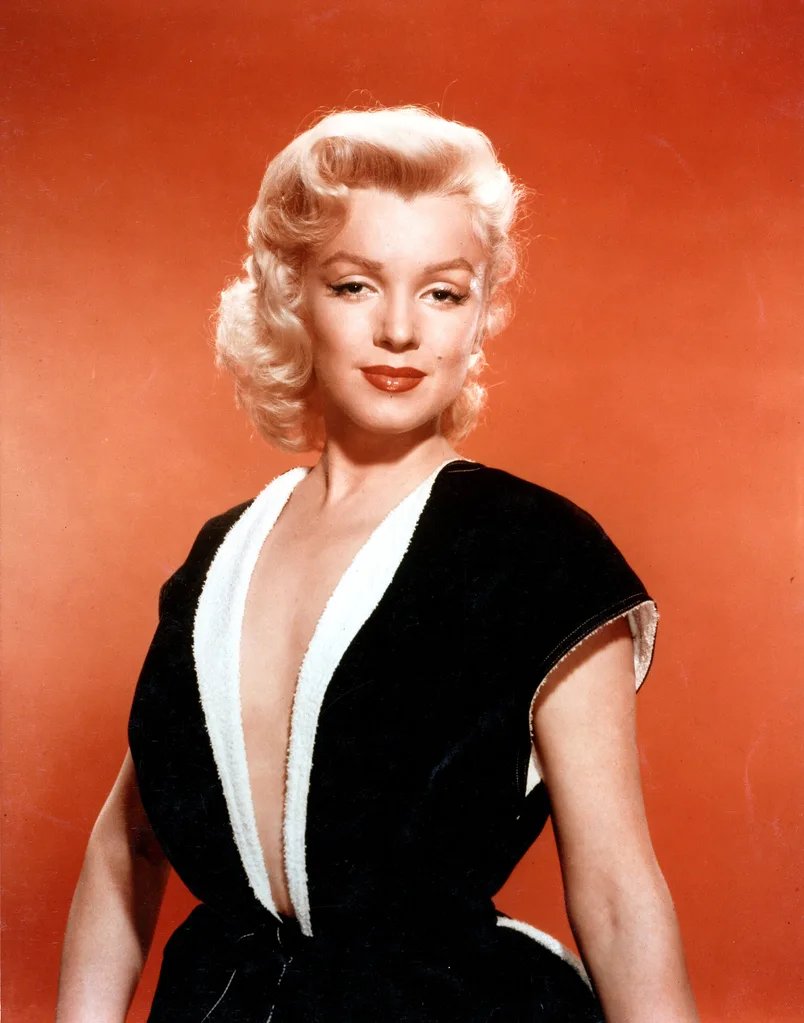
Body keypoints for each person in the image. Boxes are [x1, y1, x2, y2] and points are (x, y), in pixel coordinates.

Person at [56, 105, 699, 1023]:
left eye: (443, 292)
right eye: (356, 285)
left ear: (480, 314)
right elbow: (129, 846)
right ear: (294, 299)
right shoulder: (217, 558)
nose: (401, 329)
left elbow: (617, 893)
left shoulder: (541, 552)